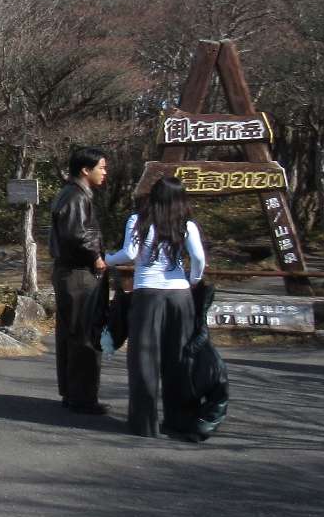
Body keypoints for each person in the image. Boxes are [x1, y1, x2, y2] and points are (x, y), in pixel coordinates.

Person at [105, 175, 207, 438]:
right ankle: (180, 420)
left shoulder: (138, 220)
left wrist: (107, 259)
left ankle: (144, 423)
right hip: (179, 295)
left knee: (144, 359)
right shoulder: (187, 224)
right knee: (179, 359)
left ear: (153, 196)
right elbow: (197, 257)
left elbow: (128, 253)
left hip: (147, 294)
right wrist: (193, 280)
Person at [48, 146, 109, 414]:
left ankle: (73, 393)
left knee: (71, 334)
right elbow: (76, 235)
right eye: (101, 167)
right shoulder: (75, 195)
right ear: (86, 170)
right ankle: (82, 398)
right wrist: (96, 256)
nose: (105, 172)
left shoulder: (71, 194)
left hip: (69, 274)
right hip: (79, 275)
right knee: (85, 336)